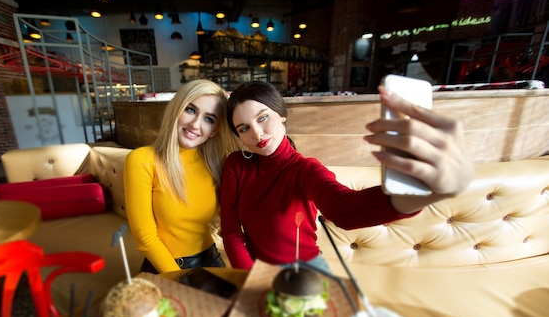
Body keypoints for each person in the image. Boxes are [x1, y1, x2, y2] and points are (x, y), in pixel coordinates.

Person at [220, 80, 475, 272]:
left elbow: (343, 211)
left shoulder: (305, 170)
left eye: (263, 118)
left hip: (305, 270)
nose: (257, 133)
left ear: (282, 115)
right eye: (244, 128)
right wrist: (251, 281)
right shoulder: (237, 166)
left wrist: (423, 193)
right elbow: (231, 231)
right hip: (255, 270)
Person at [124, 79, 239, 273]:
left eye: (209, 119)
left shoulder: (217, 163)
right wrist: (181, 281)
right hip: (167, 267)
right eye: (191, 110)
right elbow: (146, 239)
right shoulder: (141, 160)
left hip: (210, 258)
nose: (195, 125)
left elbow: (230, 224)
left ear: (214, 131)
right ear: (176, 109)